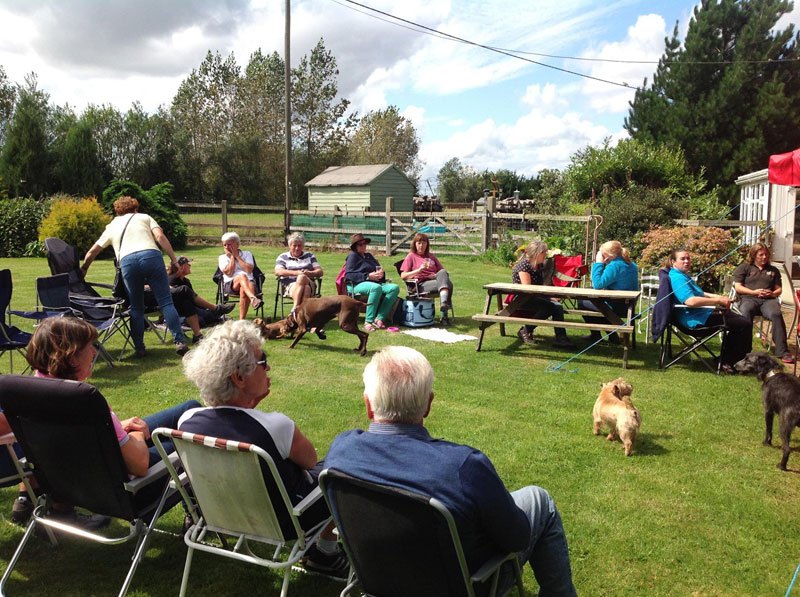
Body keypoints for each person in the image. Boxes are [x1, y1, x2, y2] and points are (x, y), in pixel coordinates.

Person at [324, 346, 576, 596]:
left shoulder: (341, 452)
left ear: (368, 405)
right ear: (428, 405)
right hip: (467, 585)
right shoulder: (464, 466)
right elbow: (518, 538)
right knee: (539, 499)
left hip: (380, 579)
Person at [179, 320, 349, 578]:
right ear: (239, 378)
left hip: (219, 513)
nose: (268, 367)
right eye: (262, 361)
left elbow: (238, 424)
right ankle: (324, 552)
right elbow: (310, 460)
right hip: (287, 522)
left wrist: (250, 403)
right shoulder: (277, 426)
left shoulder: (187, 421)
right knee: (342, 466)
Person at [13, 317, 200, 525]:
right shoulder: (85, 403)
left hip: (75, 484)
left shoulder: (31, 392)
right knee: (187, 441)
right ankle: (196, 516)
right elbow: (140, 465)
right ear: (72, 356)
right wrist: (136, 432)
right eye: (89, 347)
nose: (95, 352)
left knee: (188, 409)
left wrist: (116, 428)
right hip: (128, 493)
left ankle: (60, 513)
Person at [82, 196, 189, 357]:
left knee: (136, 307)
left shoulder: (112, 225)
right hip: (151, 255)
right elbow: (160, 237)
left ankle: (139, 348)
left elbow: (93, 251)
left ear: (118, 211)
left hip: (127, 261)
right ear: (135, 208)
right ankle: (179, 341)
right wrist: (174, 260)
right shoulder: (144, 217)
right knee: (166, 302)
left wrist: (83, 269)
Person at [668, 248, 753, 373]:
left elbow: (700, 294)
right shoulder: (677, 278)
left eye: (688, 258)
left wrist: (720, 297)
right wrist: (718, 301)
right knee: (744, 325)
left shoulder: (681, 275)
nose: (687, 261)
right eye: (683, 259)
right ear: (673, 262)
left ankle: (726, 359)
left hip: (702, 314)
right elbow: (690, 301)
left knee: (739, 322)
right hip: (695, 321)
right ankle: (731, 361)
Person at [732, 243, 794, 364]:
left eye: (766, 254)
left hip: (768, 300)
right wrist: (753, 292)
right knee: (745, 311)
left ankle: (782, 351)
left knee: (776, 314)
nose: (764, 257)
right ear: (754, 255)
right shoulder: (744, 268)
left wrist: (771, 294)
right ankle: (744, 350)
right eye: (761, 255)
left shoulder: (773, 270)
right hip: (749, 298)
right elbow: (738, 287)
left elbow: (778, 289)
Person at [511, 241, 575, 348]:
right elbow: (528, 289)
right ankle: (526, 330)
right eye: (544, 252)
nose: (546, 255)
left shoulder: (538, 266)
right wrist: (547, 298)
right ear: (537, 253)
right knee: (550, 307)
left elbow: (539, 287)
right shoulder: (524, 266)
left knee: (557, 306)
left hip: (533, 298)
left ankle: (561, 338)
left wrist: (550, 297)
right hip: (522, 300)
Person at [581, 240, 639, 343]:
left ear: (607, 255)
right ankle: (612, 336)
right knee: (594, 302)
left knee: (583, 302)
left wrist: (599, 263)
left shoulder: (615, 266)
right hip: (628, 305)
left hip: (616, 307)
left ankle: (597, 335)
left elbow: (597, 284)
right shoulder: (632, 265)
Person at [165, 256, 234, 343]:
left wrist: (205, 308)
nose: (190, 266)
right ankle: (216, 310)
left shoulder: (186, 281)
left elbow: (193, 299)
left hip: (190, 309)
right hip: (178, 313)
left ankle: (215, 312)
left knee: (208, 316)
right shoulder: (171, 281)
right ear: (181, 267)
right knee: (202, 320)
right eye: (188, 264)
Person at [344, 233, 400, 332]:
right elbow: (349, 275)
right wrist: (367, 276)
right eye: (360, 244)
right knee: (375, 288)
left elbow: (377, 269)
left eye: (364, 243)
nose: (363, 246)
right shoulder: (352, 256)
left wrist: (381, 274)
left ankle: (379, 318)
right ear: (355, 247)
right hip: (356, 284)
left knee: (394, 288)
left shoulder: (369, 256)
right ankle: (368, 321)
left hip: (373, 283)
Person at [399, 232, 454, 326]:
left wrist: (435, 275)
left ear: (427, 244)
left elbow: (443, 272)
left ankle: (444, 304)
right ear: (415, 244)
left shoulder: (431, 256)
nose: (421, 246)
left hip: (435, 281)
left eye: (424, 243)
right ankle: (444, 314)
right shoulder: (411, 256)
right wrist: (419, 270)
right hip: (420, 285)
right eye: (419, 243)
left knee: (443, 274)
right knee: (448, 284)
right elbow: (403, 275)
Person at [274, 233, 323, 312]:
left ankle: (295, 308)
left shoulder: (310, 256)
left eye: (299, 245)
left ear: (303, 246)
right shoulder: (283, 257)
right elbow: (278, 271)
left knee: (302, 278)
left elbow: (320, 271)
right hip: (290, 286)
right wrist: (296, 273)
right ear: (290, 246)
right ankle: (301, 314)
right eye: (294, 245)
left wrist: (309, 273)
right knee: (305, 287)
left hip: (309, 283)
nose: (297, 248)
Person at [219, 232, 262, 320]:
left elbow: (249, 270)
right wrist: (232, 257)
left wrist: (237, 257)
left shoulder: (247, 254)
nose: (227, 247)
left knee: (243, 289)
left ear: (237, 244)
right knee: (242, 276)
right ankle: (253, 298)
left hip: (249, 284)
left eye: (229, 245)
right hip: (231, 285)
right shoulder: (222, 258)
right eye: (225, 245)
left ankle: (241, 320)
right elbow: (229, 273)